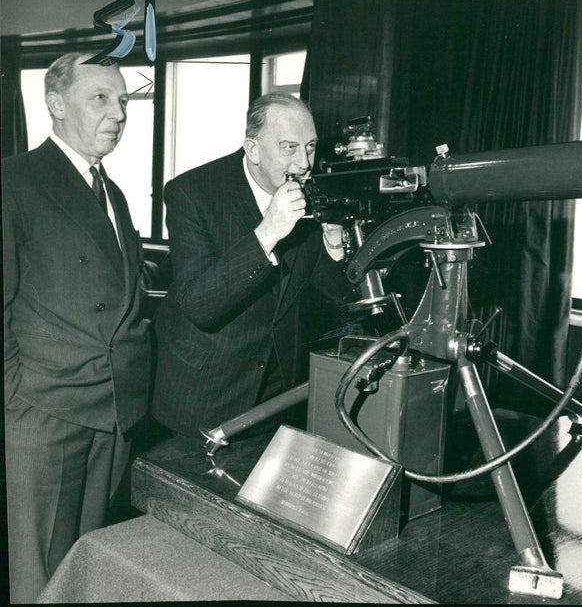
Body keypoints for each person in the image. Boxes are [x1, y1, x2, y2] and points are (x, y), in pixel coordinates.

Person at [2, 53, 152, 603]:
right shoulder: (14, 181)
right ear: (55, 104)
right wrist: (17, 398)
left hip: (113, 409)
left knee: (87, 562)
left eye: (123, 101)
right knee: (40, 570)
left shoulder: (112, 193)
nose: (118, 113)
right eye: (100, 99)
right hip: (46, 411)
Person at [151, 92, 351, 438]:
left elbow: (332, 296)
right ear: (253, 149)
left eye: (311, 147)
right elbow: (200, 304)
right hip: (204, 392)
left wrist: (335, 243)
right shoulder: (191, 192)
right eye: (289, 147)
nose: (304, 163)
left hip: (276, 396)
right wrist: (268, 232)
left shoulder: (310, 194)